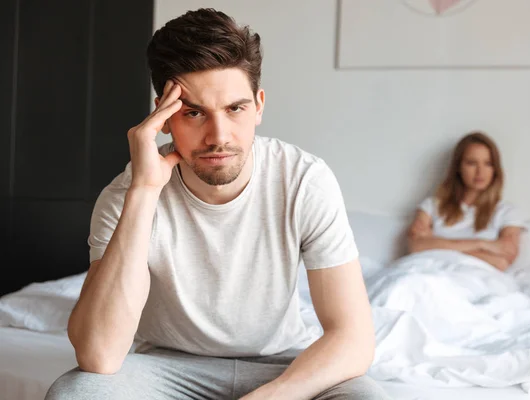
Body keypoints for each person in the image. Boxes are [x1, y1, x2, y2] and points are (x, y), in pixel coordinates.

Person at [45, 8, 391, 400]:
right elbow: (99, 356)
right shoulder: (127, 194)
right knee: (74, 393)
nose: (218, 136)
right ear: (163, 116)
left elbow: (353, 337)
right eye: (193, 113)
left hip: (282, 366)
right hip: (165, 368)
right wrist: (143, 192)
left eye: (235, 108)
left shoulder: (304, 181)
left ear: (259, 105)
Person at [407, 131, 527, 271]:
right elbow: (415, 246)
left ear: (495, 169)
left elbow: (503, 261)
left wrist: (435, 245)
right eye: (472, 163)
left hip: (478, 279)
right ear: (458, 167)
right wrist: (482, 245)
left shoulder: (506, 212)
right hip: (432, 273)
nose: (480, 172)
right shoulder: (432, 205)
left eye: (488, 163)